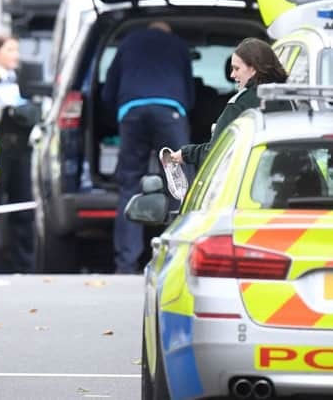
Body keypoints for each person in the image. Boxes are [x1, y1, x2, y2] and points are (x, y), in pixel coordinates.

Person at [101, 21, 195, 274]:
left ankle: (126, 264)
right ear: (168, 30)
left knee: (130, 184)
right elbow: (190, 91)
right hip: (169, 112)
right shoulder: (178, 45)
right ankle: (175, 261)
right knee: (179, 185)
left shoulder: (128, 43)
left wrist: (118, 115)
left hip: (132, 113)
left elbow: (108, 90)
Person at [170, 37, 289, 167]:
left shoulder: (240, 104)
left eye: (236, 69)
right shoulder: (291, 98)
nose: (232, 75)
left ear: (254, 68)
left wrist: (187, 154)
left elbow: (216, 153)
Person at [0, 35, 39, 273]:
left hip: (21, 151)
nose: (16, 55)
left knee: (22, 210)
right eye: (11, 50)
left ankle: (24, 266)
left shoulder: (20, 79)